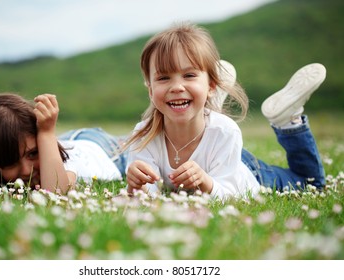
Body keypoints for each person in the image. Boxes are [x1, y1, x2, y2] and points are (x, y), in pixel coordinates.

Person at [124, 22, 326, 199]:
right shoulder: (144, 135)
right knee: (215, 134)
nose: (176, 87)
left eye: (189, 75)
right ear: (150, 91)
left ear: (212, 85)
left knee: (311, 184)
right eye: (163, 78)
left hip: (248, 172)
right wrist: (136, 186)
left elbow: (230, 194)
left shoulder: (226, 131)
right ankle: (207, 106)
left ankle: (288, 120)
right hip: (217, 146)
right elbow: (147, 196)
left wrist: (205, 182)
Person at [0, 93, 127, 194]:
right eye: (9, 162)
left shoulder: (65, 165)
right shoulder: (32, 146)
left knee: (135, 142)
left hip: (102, 149)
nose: (26, 171)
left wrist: (46, 131)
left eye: (33, 154)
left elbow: (55, 194)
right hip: (67, 140)